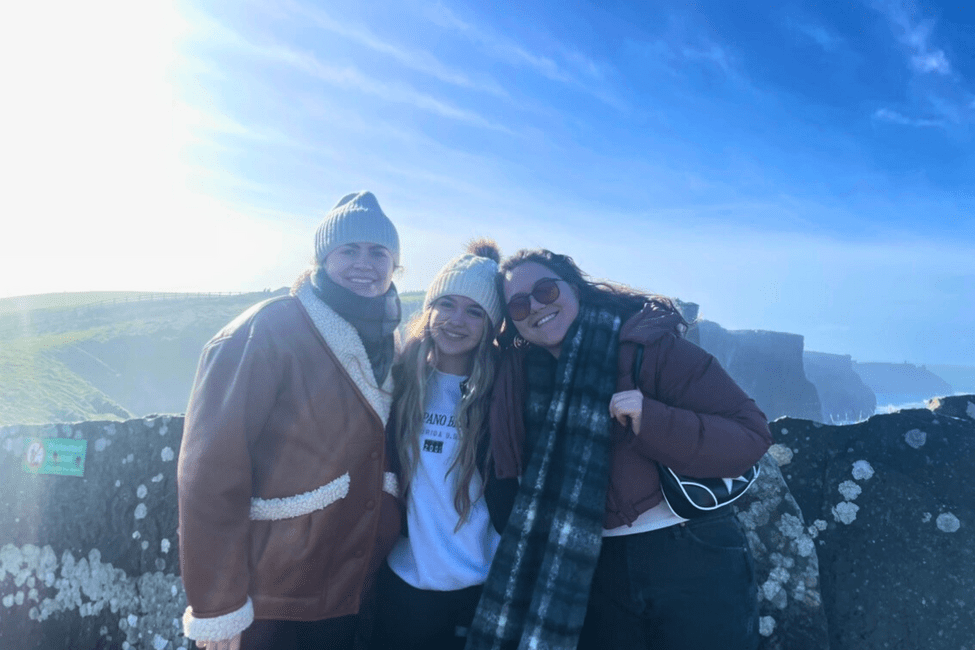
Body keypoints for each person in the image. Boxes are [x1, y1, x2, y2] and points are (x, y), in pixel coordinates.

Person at [466, 249, 773, 650]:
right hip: (593, 566)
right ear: (513, 323)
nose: (536, 306)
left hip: (690, 552)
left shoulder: (648, 346)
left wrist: (654, 419)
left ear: (573, 287)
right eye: (520, 304)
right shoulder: (520, 379)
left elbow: (751, 434)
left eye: (545, 289)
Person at [178, 191, 404, 650]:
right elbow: (209, 473)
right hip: (275, 597)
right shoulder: (264, 332)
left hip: (354, 587)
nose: (365, 263)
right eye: (349, 250)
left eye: (379, 252)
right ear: (322, 257)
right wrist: (218, 609)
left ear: (394, 264)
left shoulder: (392, 345)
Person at [371, 240, 507, 650]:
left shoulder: (504, 391)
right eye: (447, 304)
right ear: (429, 309)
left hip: (480, 585)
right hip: (404, 581)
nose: (456, 321)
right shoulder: (399, 380)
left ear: (491, 324)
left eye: (475, 311)